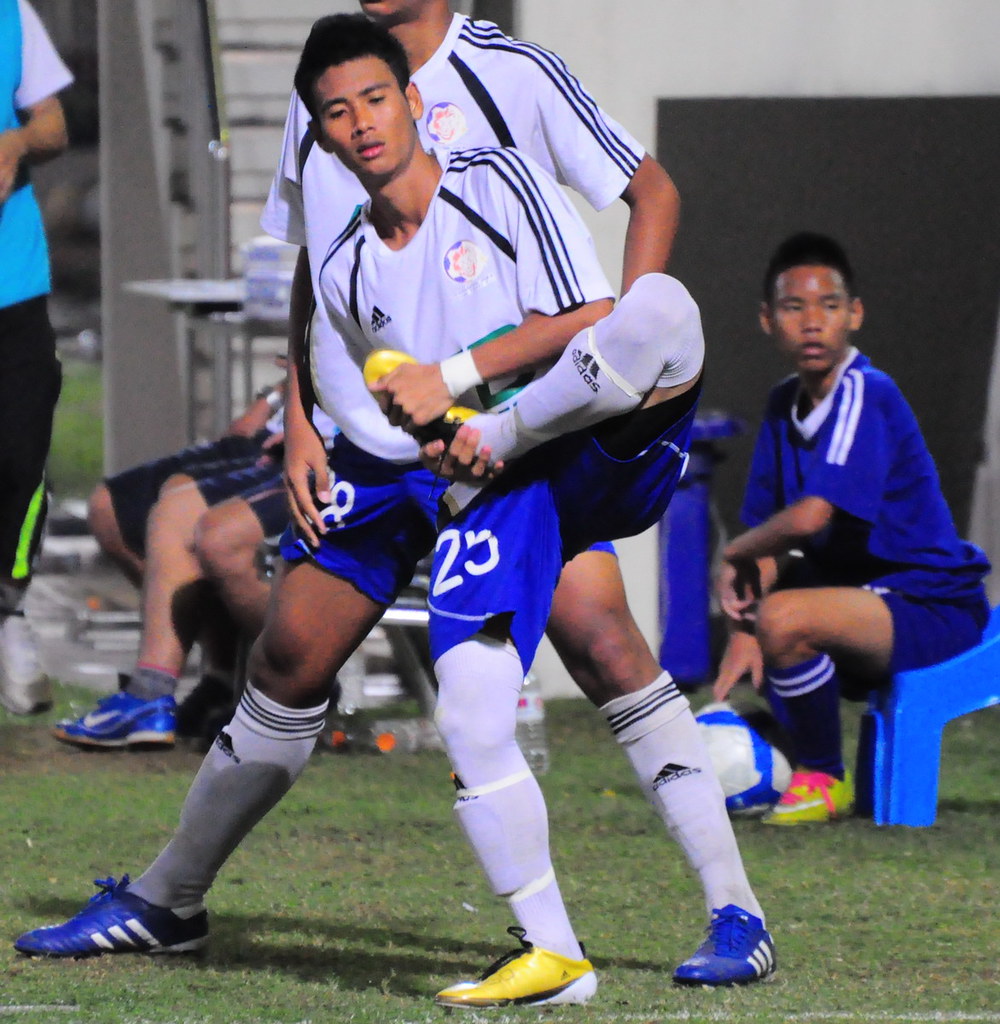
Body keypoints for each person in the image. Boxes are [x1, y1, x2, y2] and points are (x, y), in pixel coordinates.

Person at [14, 18, 773, 1001]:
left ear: (413, 100)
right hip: (394, 455)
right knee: (289, 650)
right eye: (339, 112)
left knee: (599, 644)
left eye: (375, 101)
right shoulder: (336, 165)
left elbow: (630, 261)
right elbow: (311, 269)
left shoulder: (502, 119)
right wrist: (299, 421)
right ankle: (169, 899)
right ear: (323, 126)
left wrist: (485, 387)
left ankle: (730, 910)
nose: (359, 122)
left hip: (531, 438)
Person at [711, 232, 991, 825]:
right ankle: (788, 752)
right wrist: (742, 631)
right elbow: (769, 534)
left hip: (931, 603)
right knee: (768, 629)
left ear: (854, 315)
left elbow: (810, 517)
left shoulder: (866, 391)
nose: (813, 322)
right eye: (794, 307)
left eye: (829, 306)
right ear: (768, 320)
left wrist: (735, 556)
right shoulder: (783, 402)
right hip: (864, 602)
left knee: (785, 619)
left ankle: (823, 778)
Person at [53, 378, 299, 748]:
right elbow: (308, 350)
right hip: (289, 432)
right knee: (114, 507)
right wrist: (274, 400)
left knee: (188, 522)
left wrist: (306, 428)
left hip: (337, 449)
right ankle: (219, 678)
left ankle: (302, 678)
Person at [0, 0, 72, 715]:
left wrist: (18, 143)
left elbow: (53, 123)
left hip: (12, 284)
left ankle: (7, 608)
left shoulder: (12, 15)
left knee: (21, 455)